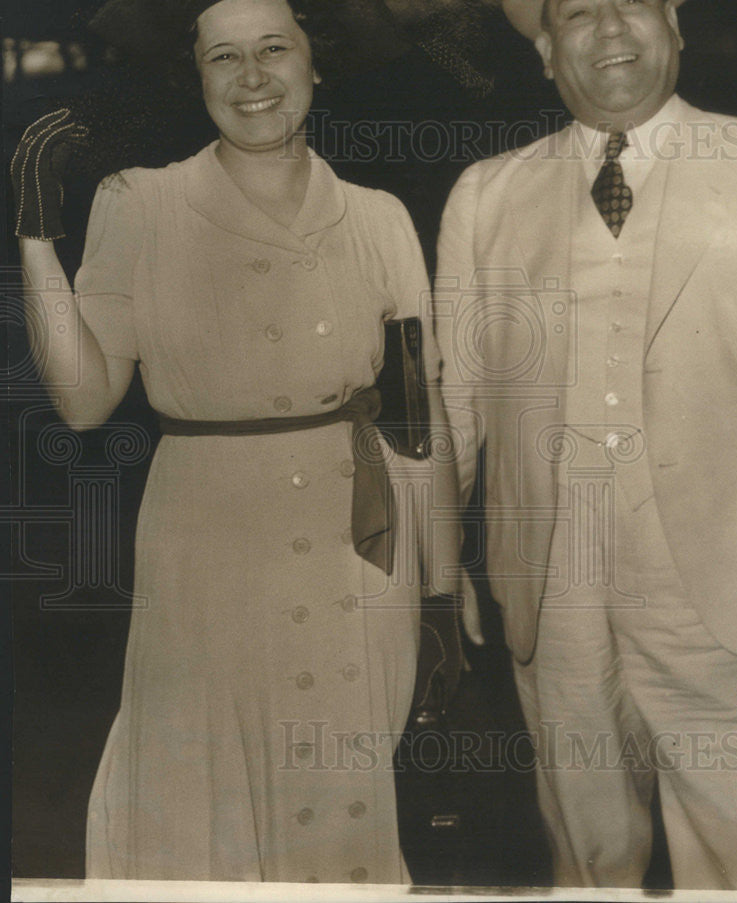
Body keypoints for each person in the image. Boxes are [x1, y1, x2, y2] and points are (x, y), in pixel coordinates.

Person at [437, 0, 737, 890]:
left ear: (676, 29)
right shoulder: (487, 193)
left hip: (730, 575)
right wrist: (434, 558)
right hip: (551, 585)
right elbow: (456, 402)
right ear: (543, 53)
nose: (610, 29)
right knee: (588, 850)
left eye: (633, 3)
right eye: (576, 14)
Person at [12, 0, 461, 883]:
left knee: (344, 805)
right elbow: (83, 400)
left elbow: (418, 424)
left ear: (315, 63)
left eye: (273, 50)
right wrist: (34, 238)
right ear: (197, 75)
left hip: (357, 556)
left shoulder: (378, 218)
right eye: (224, 57)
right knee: (200, 802)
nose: (252, 78)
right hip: (205, 555)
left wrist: (440, 596)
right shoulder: (138, 201)